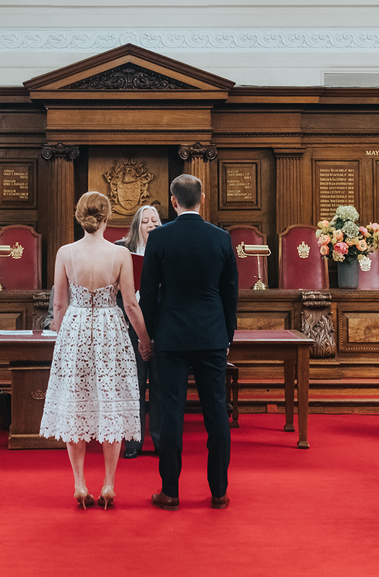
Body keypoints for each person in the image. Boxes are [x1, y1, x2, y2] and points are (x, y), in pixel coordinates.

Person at [39, 191, 152, 510]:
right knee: (111, 402)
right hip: (110, 330)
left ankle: (78, 483)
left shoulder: (65, 253)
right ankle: (108, 484)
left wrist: (61, 341)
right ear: (107, 217)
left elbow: (59, 304)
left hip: (75, 327)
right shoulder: (119, 255)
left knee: (76, 402)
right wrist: (144, 339)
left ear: (80, 216)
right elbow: (130, 303)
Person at [138, 174, 238, 511]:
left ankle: (170, 492)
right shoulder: (222, 239)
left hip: (171, 336)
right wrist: (227, 335)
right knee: (216, 415)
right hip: (211, 335)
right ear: (202, 199)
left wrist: (149, 334)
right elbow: (230, 293)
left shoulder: (160, 238)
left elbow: (149, 292)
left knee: (170, 413)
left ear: (172, 201)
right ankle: (219, 491)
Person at [115, 203, 162, 459]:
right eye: (145, 221)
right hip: (129, 324)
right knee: (133, 385)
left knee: (158, 384)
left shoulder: (166, 247)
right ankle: (133, 442)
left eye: (154, 221)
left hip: (159, 324)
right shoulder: (121, 249)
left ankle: (160, 440)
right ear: (137, 225)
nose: (150, 226)